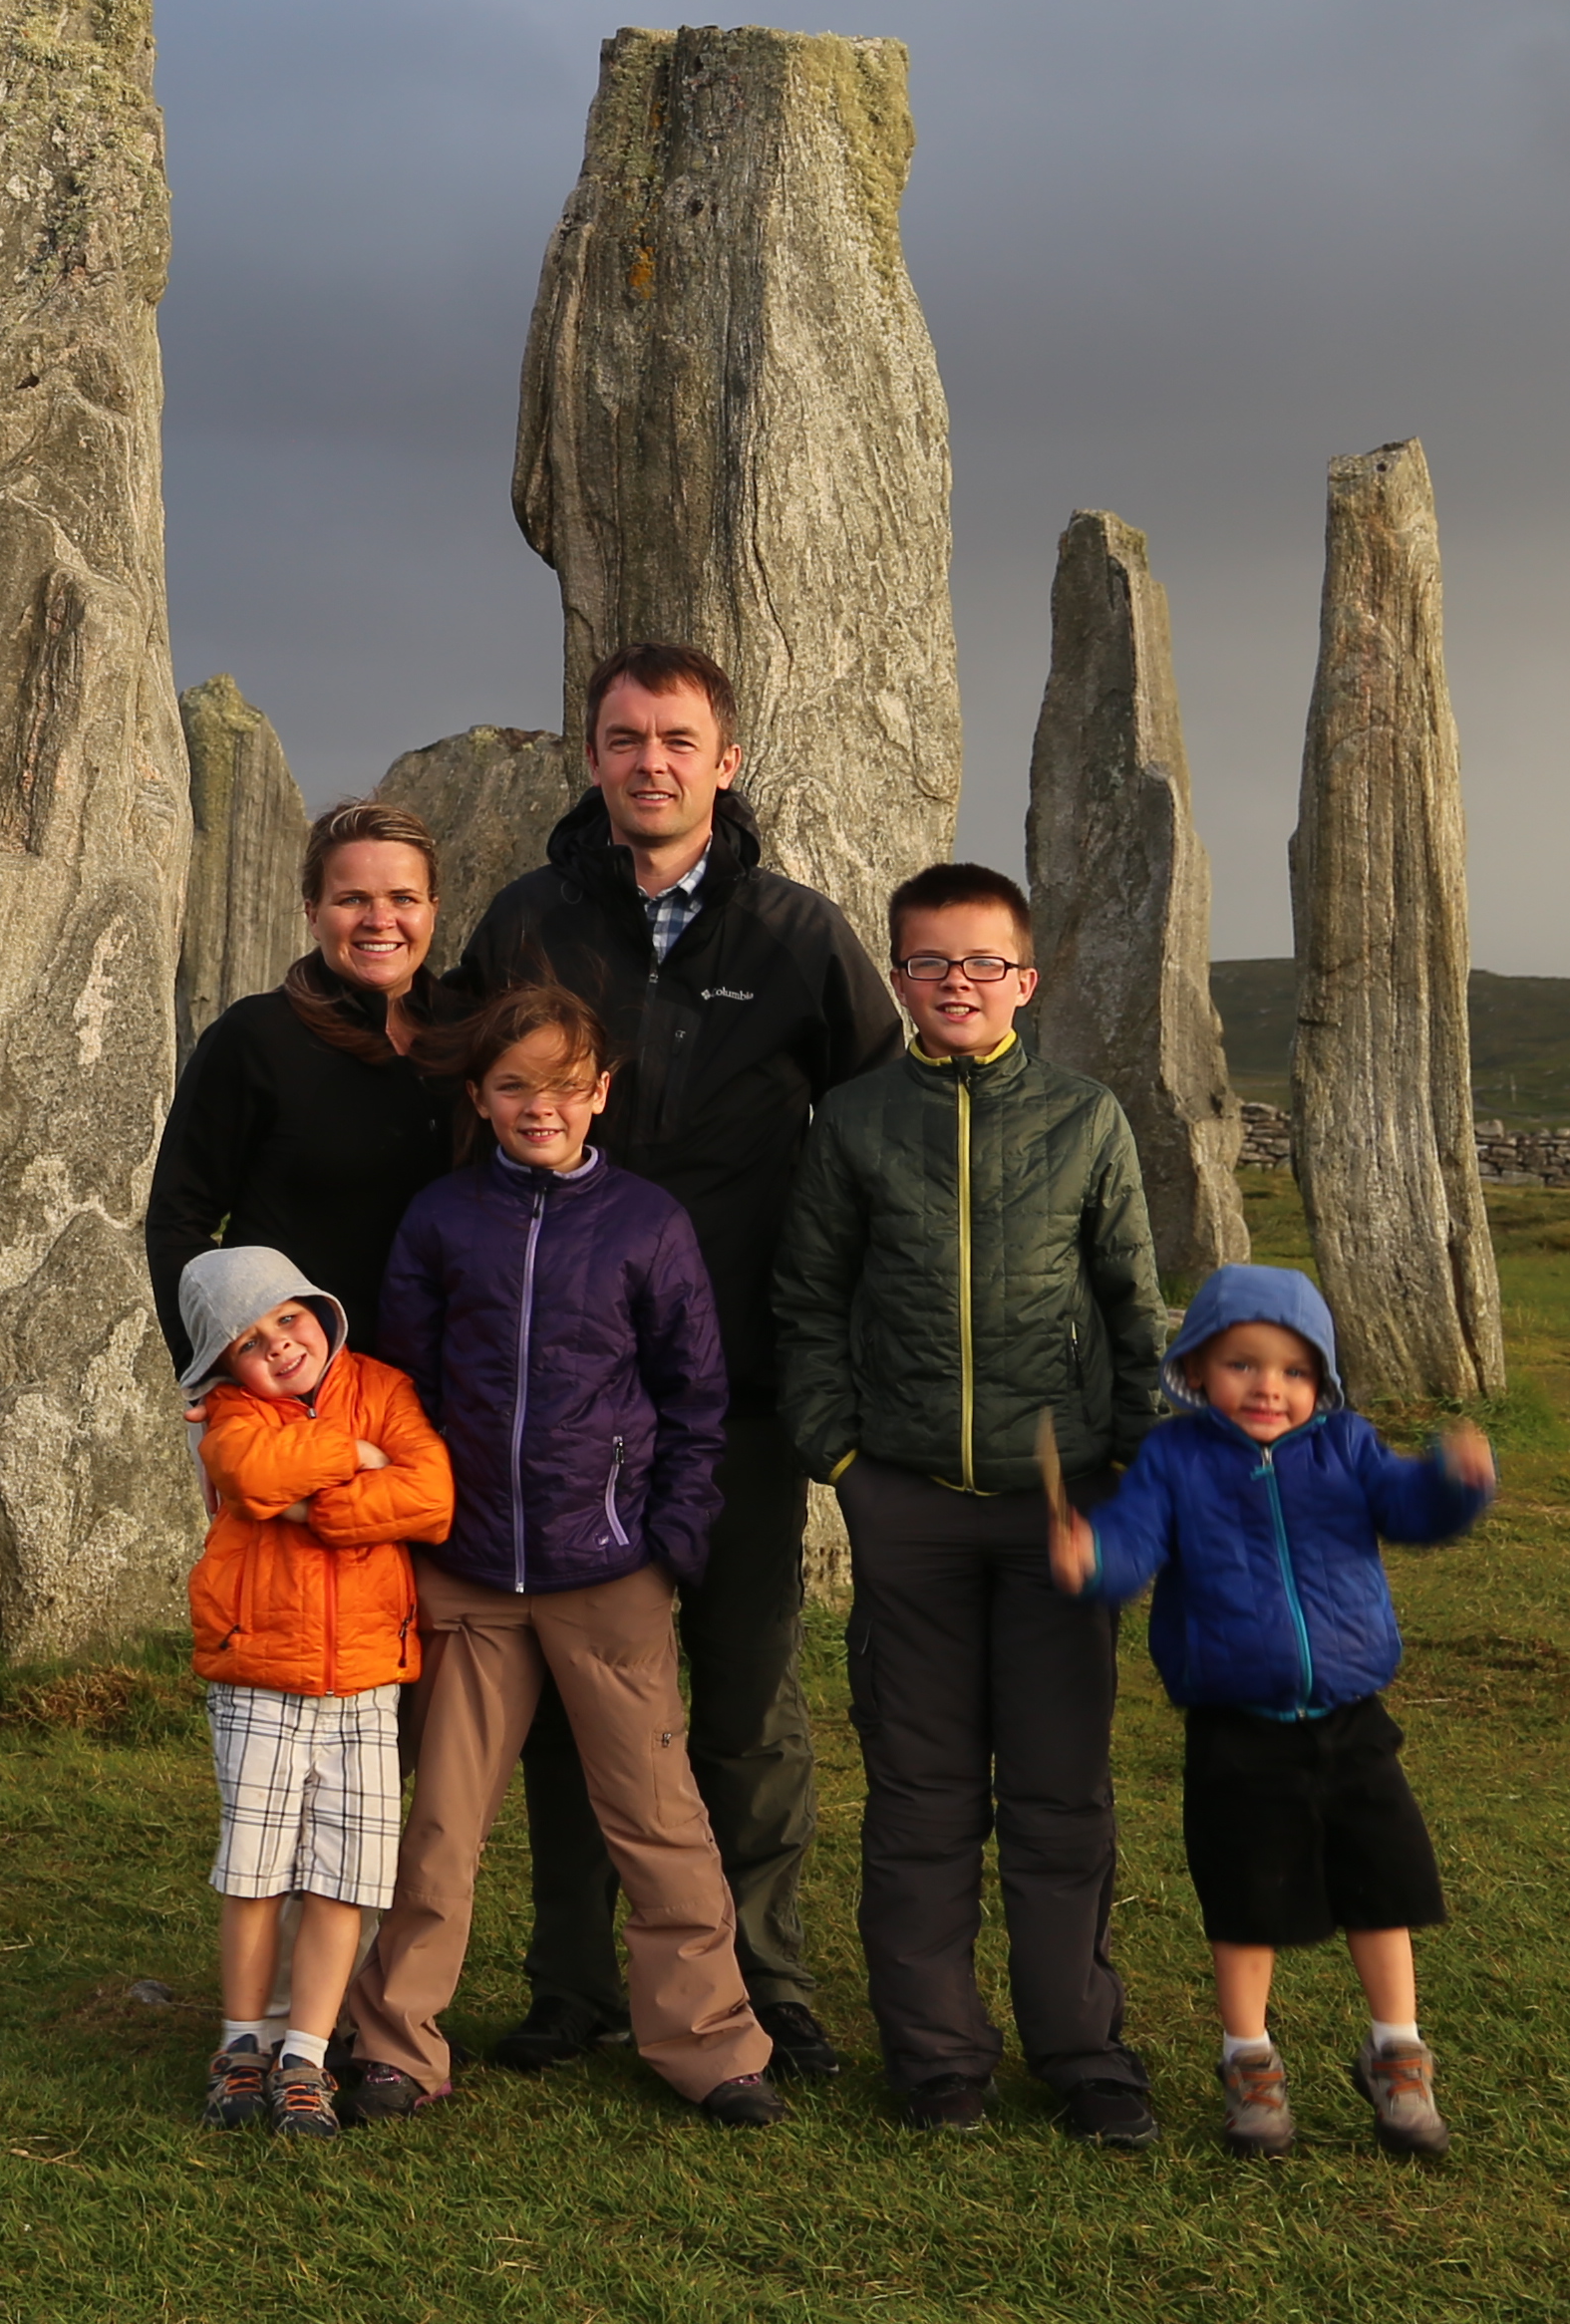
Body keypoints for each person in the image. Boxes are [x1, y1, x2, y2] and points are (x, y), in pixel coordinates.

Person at [449, 647, 894, 2084]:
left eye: (678, 739)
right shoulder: (529, 923)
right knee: (575, 1703)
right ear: (592, 757)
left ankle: (766, 1988)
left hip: (743, 1383)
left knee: (747, 1697)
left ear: (727, 760)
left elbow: (879, 1130)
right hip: (559, 1395)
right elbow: (458, 1106)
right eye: (626, 738)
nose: (651, 762)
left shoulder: (796, 937)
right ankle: (574, 1987)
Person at [334, 984, 785, 2131]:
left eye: (565, 1086)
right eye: (514, 1086)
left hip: (610, 1570)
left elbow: (696, 1395)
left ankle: (709, 2045)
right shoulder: (441, 1220)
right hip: (471, 1572)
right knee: (438, 1824)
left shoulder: (645, 1222)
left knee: (658, 1818)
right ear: (480, 1098)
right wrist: (425, 1527)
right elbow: (405, 1389)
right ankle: (396, 2042)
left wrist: (669, 1541)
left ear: (602, 1093)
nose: (542, 1106)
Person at [771, 859, 1169, 2142]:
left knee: (1061, 1798)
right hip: (910, 1514)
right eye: (932, 962)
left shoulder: (1085, 1118)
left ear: (1026, 980)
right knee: (924, 1799)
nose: (958, 983)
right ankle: (938, 2057)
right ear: (900, 978)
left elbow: (1133, 1310)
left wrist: (1134, 1486)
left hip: (1063, 1514)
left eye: (983, 962)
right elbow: (807, 1310)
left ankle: (1083, 2055)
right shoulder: (855, 1121)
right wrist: (846, 1470)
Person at [1051, 1264, 1493, 2161]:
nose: (1269, 1387)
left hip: (1351, 1717)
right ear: (1199, 1369)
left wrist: (1455, 1482)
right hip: (1234, 1729)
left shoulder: (1349, 1446)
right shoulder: (1174, 1460)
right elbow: (1133, 1546)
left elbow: (1411, 1508)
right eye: (1245, 1365)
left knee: (1384, 1888)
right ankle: (1249, 2064)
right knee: (1247, 1903)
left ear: (1321, 1382)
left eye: (1294, 1371)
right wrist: (1093, 1559)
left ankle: (1398, 2059)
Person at [168, 1242, 455, 2139]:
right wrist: (353, 1455)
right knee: (256, 1872)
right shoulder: (231, 1413)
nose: (280, 1346)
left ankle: (306, 2054)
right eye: (252, 1340)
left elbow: (433, 1497)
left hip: (368, 1677)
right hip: (261, 1671)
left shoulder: (384, 1388)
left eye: (288, 1319)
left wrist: (319, 1507)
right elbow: (251, 1475)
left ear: (318, 1312)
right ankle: (241, 2045)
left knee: (346, 1879)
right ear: (227, 1365)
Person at [146, 801, 459, 1370]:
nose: (379, 919)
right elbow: (179, 1220)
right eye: (353, 899)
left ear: (433, 911)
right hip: (296, 1392)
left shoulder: (469, 1038)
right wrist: (216, 1366)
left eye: (403, 899)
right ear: (313, 914)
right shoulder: (258, 1037)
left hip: (448, 1391)